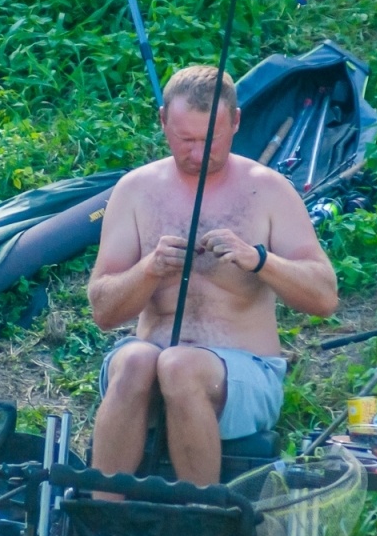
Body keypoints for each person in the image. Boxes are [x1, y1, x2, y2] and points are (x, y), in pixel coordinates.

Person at [87, 65, 339, 487]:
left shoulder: (269, 190)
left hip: (246, 374)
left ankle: (204, 521)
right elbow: (103, 309)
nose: (199, 154)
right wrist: (149, 270)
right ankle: (101, 525)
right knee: (134, 359)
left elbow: (325, 297)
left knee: (180, 366)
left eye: (212, 140)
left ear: (236, 122)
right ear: (163, 120)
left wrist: (259, 260)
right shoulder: (135, 191)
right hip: (152, 363)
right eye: (185, 140)